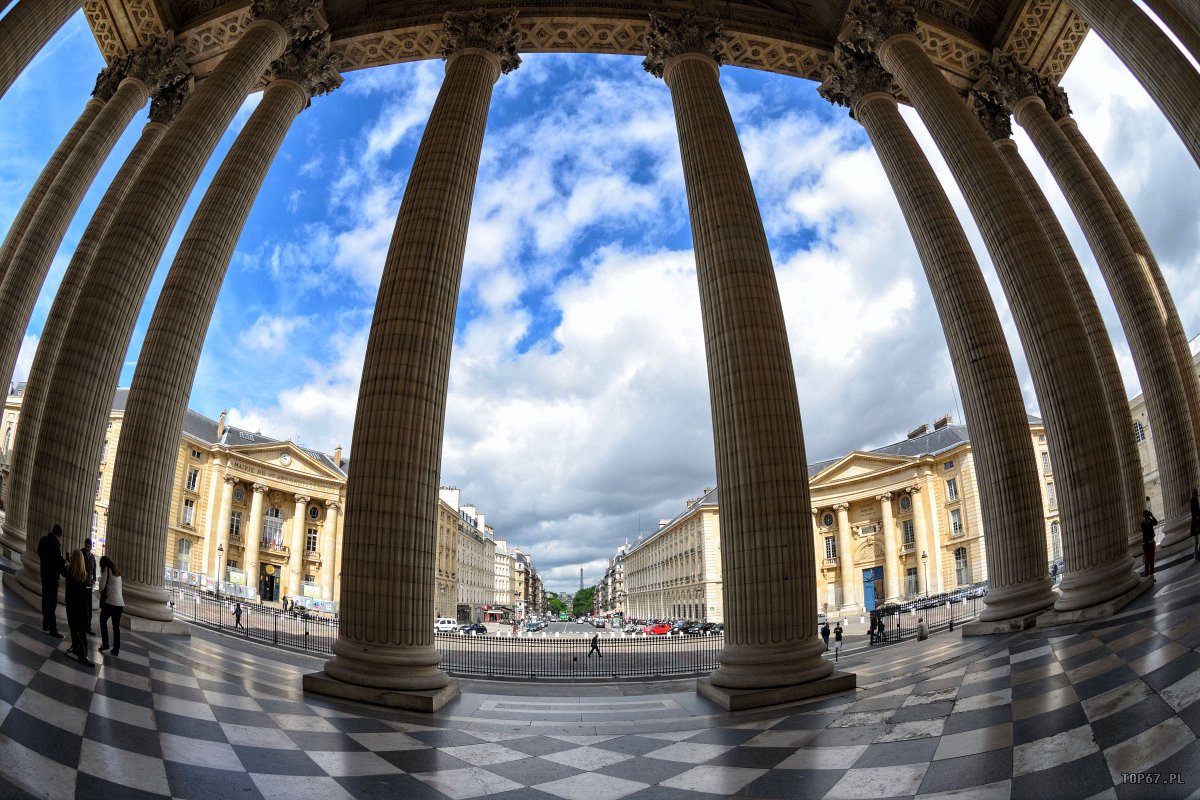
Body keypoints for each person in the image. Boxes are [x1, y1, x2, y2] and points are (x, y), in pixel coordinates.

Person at [64, 549, 93, 666]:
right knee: (81, 632)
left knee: (73, 629)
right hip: (81, 607)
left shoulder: (69, 572)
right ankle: (84, 654)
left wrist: (65, 560)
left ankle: (78, 650)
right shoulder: (85, 576)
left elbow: (65, 568)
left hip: (71, 605)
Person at [36, 524, 66, 638]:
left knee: (45, 599)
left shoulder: (43, 540)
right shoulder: (56, 546)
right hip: (53, 578)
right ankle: (53, 628)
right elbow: (58, 564)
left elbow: (39, 553)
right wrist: (63, 561)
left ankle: (45, 623)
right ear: (58, 535)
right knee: (52, 603)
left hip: (44, 574)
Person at [97, 555, 124, 656]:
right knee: (116, 627)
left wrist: (100, 579)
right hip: (120, 604)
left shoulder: (106, 570)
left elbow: (101, 587)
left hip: (111, 603)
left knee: (102, 620)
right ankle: (116, 649)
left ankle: (105, 644)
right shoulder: (117, 571)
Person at [82, 538, 97, 635]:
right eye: (86, 546)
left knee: (89, 607)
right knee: (82, 606)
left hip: (89, 586)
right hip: (81, 585)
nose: (87, 548)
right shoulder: (80, 554)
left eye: (89, 546)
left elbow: (94, 569)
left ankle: (88, 625)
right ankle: (82, 624)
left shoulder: (92, 557)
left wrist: (94, 579)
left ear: (91, 547)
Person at [1141, 509, 1159, 579]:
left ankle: (1151, 576)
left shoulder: (1150, 521)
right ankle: (1146, 576)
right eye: (1146, 515)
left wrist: (1152, 516)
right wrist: (1147, 523)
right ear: (1144, 516)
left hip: (1151, 542)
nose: (1147, 516)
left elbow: (1156, 523)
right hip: (1146, 544)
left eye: (1147, 515)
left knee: (1152, 560)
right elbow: (1144, 531)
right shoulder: (1143, 523)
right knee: (1147, 561)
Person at [1191, 489, 1200, 560]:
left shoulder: (1195, 500)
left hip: (1196, 523)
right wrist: (1197, 525)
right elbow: (1194, 514)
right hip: (1196, 524)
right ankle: (1196, 555)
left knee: (1197, 541)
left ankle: (1196, 554)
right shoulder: (1193, 501)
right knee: (1196, 541)